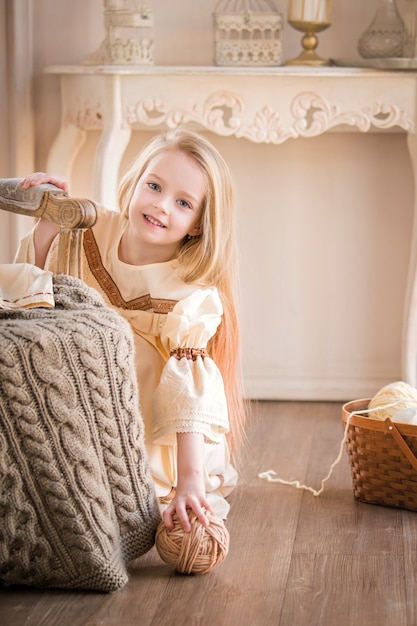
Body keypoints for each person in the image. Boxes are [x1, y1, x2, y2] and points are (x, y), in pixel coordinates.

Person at [16, 127, 246, 533]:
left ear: (197, 224)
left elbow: (186, 388)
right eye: (154, 185)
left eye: (183, 202)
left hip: (143, 426)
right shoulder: (86, 229)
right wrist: (49, 223)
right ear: (134, 182)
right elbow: (33, 302)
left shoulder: (188, 293)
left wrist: (189, 479)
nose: (160, 205)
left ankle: (133, 477)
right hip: (69, 404)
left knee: (129, 347)